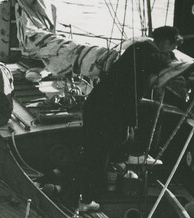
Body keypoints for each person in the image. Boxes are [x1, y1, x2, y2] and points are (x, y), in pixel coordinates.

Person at [74, 24, 180, 206]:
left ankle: (83, 193)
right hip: (106, 109)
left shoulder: (138, 48)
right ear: (164, 42)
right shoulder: (146, 54)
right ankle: (85, 199)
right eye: (174, 44)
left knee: (97, 150)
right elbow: (162, 61)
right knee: (98, 153)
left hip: (102, 105)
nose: (175, 48)